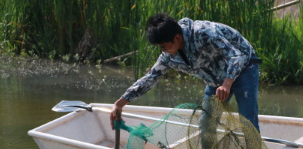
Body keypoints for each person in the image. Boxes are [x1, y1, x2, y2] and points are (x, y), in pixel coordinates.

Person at [110, 13, 261, 140]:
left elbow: (237, 56)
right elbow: (150, 78)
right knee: (207, 122)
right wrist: (120, 103)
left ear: (176, 38)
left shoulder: (205, 33)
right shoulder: (168, 56)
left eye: (164, 46)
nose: (163, 50)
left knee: (247, 119)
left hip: (244, 68)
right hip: (215, 79)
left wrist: (227, 84)